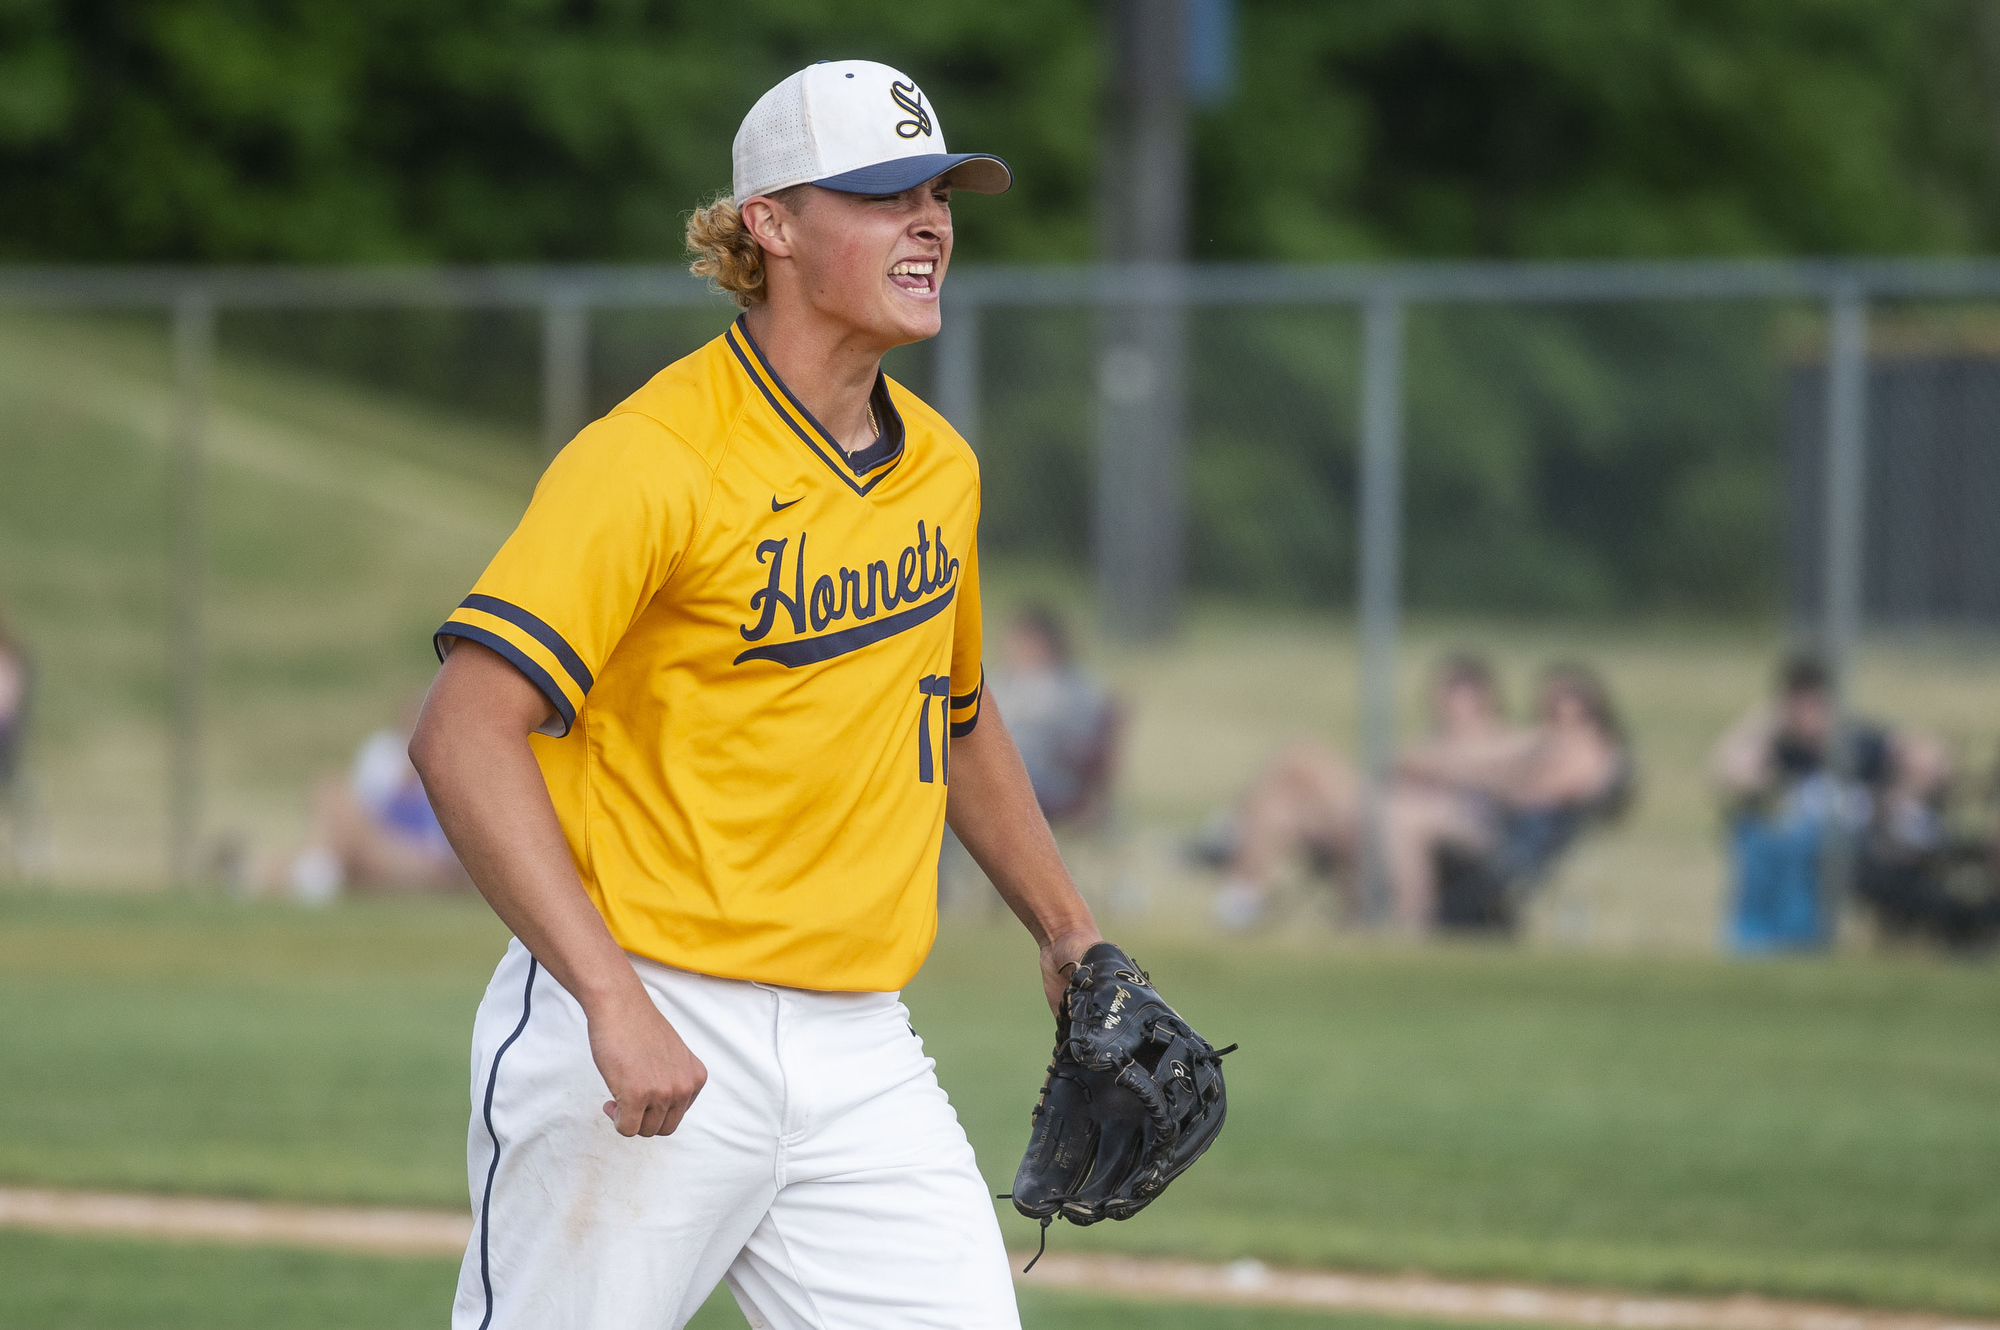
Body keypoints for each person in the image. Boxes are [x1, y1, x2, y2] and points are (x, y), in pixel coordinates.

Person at [410, 62, 1100, 1330]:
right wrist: (608, 998)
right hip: (638, 1011)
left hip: (859, 1040)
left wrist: (1066, 930)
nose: (930, 220)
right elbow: (462, 733)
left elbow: (952, 707)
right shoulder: (654, 458)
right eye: (884, 193)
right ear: (769, 225)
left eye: (940, 192)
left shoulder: (939, 469)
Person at [1213, 657, 1629, 931]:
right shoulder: (1490, 746)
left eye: (1569, 708)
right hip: (1378, 815)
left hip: (1442, 826)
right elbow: (1406, 764)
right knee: (1281, 804)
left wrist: (1453, 766)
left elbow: (1562, 779)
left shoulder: (1520, 742)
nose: (1558, 718)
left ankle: (1232, 837)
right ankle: (1241, 890)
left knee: (1307, 760)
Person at [1211, 652, 1511, 928]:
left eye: (1455, 691)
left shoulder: (1497, 741)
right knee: (1279, 807)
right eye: (1443, 690)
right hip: (1375, 820)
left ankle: (1231, 831)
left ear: (1481, 697)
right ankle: (1240, 899)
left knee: (1302, 756)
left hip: (1428, 827)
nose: (1442, 700)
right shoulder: (1435, 742)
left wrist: (1423, 766)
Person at [1710, 654, 1946, 949]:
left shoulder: (1858, 742)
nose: (1809, 715)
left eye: (1816, 704)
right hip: (1795, 855)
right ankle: (1763, 939)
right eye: (1799, 705)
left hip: (1864, 848)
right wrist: (1765, 721)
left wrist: (1899, 793)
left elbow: (1932, 759)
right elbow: (1730, 773)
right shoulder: (1781, 750)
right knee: (1760, 839)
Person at [285, 694, 469, 901]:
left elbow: (446, 843)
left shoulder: (454, 761)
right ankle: (316, 870)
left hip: (423, 857)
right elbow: (367, 806)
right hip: (379, 841)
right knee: (330, 788)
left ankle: (315, 874)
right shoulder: (383, 753)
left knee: (333, 822)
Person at [986, 604, 1118, 824]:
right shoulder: (1003, 680)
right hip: (1007, 770)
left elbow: (1082, 746)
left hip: (1051, 777)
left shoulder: (1073, 685)